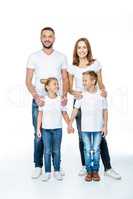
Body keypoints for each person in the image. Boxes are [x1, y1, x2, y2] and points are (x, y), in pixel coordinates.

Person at [67, 38, 121, 179]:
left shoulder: (95, 64)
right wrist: (75, 93)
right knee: (82, 136)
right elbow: (69, 88)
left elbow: (101, 83)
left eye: (84, 47)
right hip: (80, 100)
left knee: (100, 136)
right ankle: (86, 166)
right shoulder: (73, 67)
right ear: (76, 50)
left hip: (95, 100)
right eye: (79, 47)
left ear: (88, 49)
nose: (82, 50)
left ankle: (108, 168)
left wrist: (104, 91)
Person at [25, 27, 69, 179]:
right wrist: (36, 96)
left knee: (55, 132)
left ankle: (57, 165)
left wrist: (64, 95)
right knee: (39, 134)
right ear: (40, 38)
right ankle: (38, 165)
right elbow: (28, 81)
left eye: (50, 36)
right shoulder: (33, 57)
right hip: (40, 101)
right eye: (44, 36)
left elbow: (65, 78)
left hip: (56, 101)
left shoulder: (61, 57)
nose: (47, 39)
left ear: (54, 38)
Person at [68, 71, 108, 182]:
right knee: (86, 149)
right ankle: (88, 171)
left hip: (98, 128)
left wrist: (105, 126)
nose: (83, 82)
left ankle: (95, 171)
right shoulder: (81, 95)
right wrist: (70, 122)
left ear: (93, 81)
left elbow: (105, 110)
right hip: (85, 128)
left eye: (85, 80)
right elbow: (75, 109)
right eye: (83, 80)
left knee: (95, 149)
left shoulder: (101, 95)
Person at [37, 78, 70, 181]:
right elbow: (40, 115)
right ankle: (47, 172)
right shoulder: (43, 100)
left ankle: (57, 170)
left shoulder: (61, 100)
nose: (57, 86)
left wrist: (69, 124)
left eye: (57, 84)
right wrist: (38, 128)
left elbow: (64, 113)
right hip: (46, 130)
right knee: (47, 151)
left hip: (57, 130)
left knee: (56, 150)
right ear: (47, 87)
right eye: (54, 84)